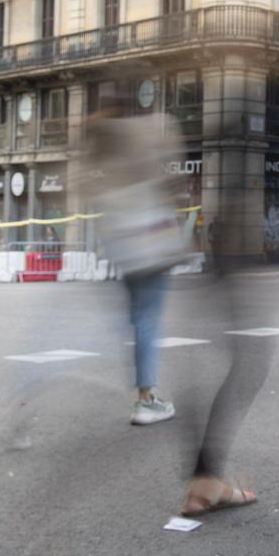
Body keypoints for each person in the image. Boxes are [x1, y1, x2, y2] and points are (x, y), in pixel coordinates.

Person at [84, 110, 188, 425]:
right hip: (151, 245)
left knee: (136, 318)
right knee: (148, 320)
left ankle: (142, 391)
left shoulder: (104, 165)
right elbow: (171, 173)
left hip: (123, 249)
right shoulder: (145, 141)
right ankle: (146, 399)